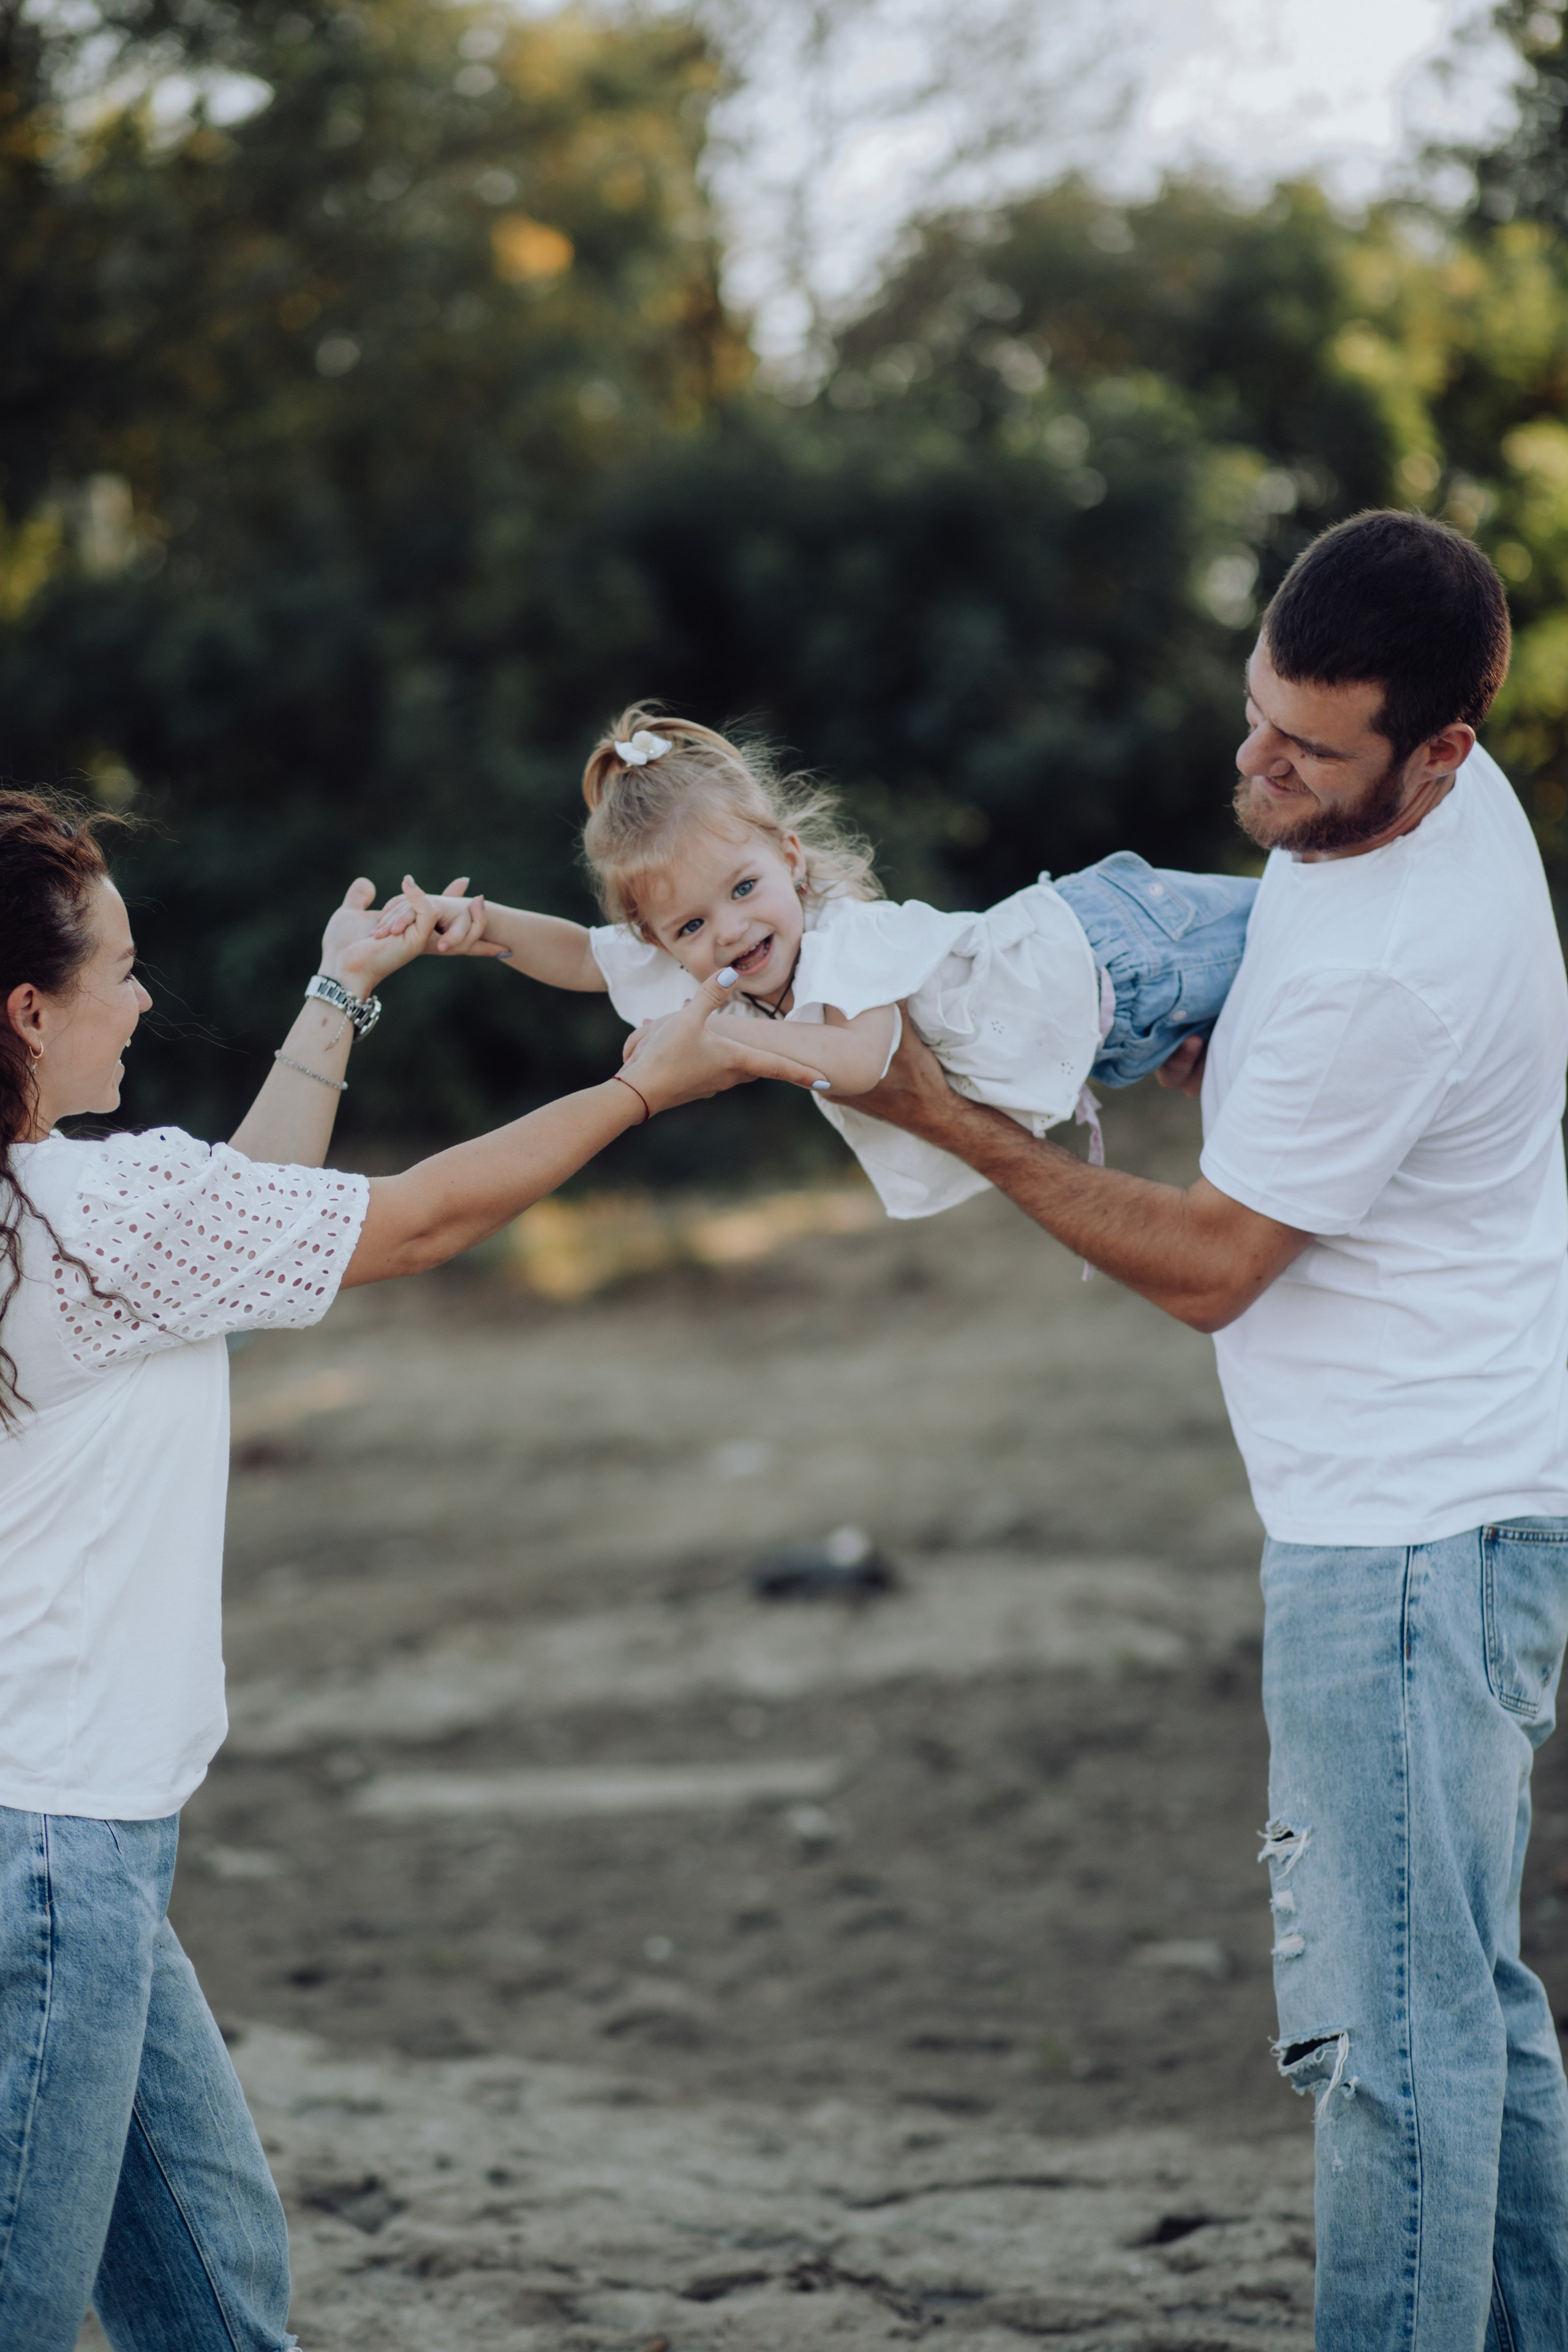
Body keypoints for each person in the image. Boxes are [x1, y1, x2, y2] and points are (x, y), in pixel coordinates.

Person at [845, 510, 1568, 2349]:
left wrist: (957, 1123)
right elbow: (1279, 952)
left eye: (1308, 752)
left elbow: (1214, 1265)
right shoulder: (1420, 819)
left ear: (1441, 750)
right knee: (1466, 2008)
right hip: (1465, 1498)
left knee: (1394, 2054)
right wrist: (1220, 1031)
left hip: (1400, 1541)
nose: (1256, 762)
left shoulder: (1394, 966)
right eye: (1255, 712)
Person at [0, 794, 824, 2352]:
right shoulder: (89, 1211)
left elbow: (244, 1230)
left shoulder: (64, 1221)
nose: (148, 995)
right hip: (47, 1858)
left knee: (220, 2307)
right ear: (27, 1014)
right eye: (121, 970)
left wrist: (335, 996)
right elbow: (418, 1222)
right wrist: (638, 1090)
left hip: (82, 1851)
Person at [375, 709, 1257, 1216]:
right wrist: (479, 922)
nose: (727, 930)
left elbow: (865, 1057)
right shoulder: (713, 967)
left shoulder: (842, 938)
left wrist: (719, 1053)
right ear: (660, 944)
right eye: (689, 926)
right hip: (1126, 1029)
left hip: (1123, 945)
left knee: (1316, 911)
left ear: (792, 859)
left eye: (746, 888)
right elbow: (580, 957)